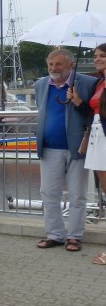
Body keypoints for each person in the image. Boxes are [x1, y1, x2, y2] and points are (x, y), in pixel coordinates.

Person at [36, 48, 96, 251]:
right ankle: (54, 234)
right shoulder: (41, 84)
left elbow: (94, 111)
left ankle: (75, 236)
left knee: (77, 195)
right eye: (51, 64)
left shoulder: (87, 83)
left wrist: (78, 101)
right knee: (49, 193)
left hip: (77, 148)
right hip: (49, 148)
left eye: (59, 64)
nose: (54, 68)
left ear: (71, 64)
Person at [83, 45, 106, 265]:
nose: (97, 59)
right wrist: (78, 101)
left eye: (102, 56)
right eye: (95, 56)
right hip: (98, 135)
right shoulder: (100, 82)